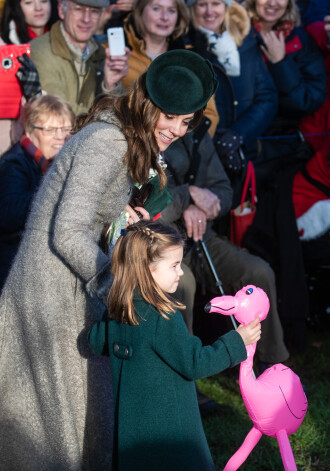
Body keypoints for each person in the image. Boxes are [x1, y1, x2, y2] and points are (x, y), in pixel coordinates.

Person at [0, 49, 217, 470]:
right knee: (53, 435)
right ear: (148, 104)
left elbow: (86, 217)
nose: (175, 129)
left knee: (85, 423)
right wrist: (121, 291)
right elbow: (67, 231)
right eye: (168, 116)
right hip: (51, 291)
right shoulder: (108, 140)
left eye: (185, 121)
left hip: (74, 287)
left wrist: (120, 221)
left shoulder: (127, 136)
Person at [87, 220, 262, 471]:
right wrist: (237, 340)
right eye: (174, 265)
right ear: (147, 269)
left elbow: (96, 341)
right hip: (170, 433)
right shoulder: (162, 318)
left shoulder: (119, 312)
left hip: (132, 433)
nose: (181, 272)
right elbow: (195, 363)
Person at [161, 119, 289, 370]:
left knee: (257, 272)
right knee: (182, 283)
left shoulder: (196, 132)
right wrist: (187, 198)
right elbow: (149, 208)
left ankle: (272, 365)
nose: (179, 125)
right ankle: (185, 376)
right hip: (163, 244)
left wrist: (200, 205)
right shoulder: (146, 134)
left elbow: (224, 191)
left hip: (202, 237)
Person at [186, 0, 278, 170]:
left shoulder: (245, 40)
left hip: (244, 152)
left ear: (226, 7)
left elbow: (267, 96)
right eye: (201, 4)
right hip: (200, 158)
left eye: (216, 3)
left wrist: (239, 134)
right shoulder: (184, 46)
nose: (209, 11)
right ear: (191, 8)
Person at [0, 94, 74, 292]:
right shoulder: (15, 163)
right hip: (13, 268)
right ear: (30, 131)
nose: (60, 137)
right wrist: (52, 190)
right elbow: (7, 214)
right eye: (50, 130)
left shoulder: (56, 164)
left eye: (65, 130)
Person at [244, 0, 327, 172]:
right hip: (239, 139)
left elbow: (306, 102)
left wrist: (280, 63)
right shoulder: (236, 34)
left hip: (279, 148)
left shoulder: (300, 38)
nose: (272, 3)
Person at [121, 0, 219, 136]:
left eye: (171, 10)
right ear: (140, 10)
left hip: (179, 148)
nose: (165, 17)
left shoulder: (191, 59)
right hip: (130, 144)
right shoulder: (115, 54)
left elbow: (209, 115)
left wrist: (177, 142)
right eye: (156, 8)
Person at [29, 0, 130, 115]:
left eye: (94, 11)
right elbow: (57, 112)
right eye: (78, 9)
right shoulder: (39, 50)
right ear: (61, 10)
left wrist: (111, 85)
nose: (86, 19)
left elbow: (121, 114)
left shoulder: (103, 56)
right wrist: (104, 121)